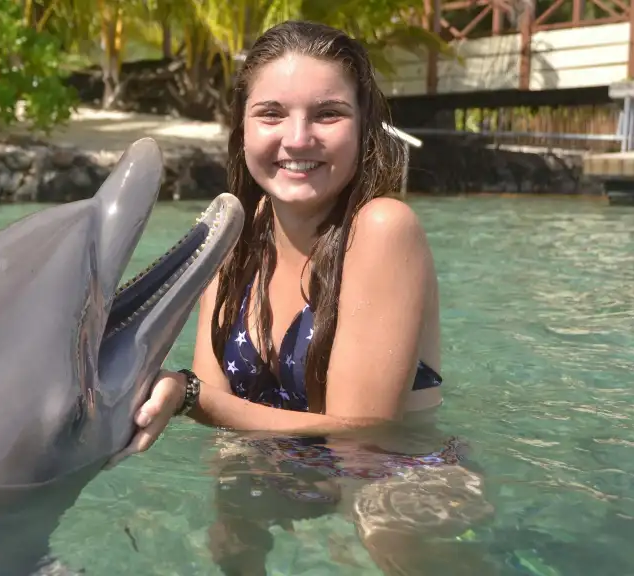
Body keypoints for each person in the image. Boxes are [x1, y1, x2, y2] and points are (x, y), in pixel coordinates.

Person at [106, 20, 502, 576]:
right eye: (271, 113)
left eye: (328, 113)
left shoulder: (383, 228)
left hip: (401, 487)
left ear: (365, 128)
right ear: (241, 128)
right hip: (280, 476)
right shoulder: (231, 239)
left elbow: (364, 434)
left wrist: (190, 396)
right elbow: (224, 429)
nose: (297, 138)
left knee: (381, 524)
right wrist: (236, 540)